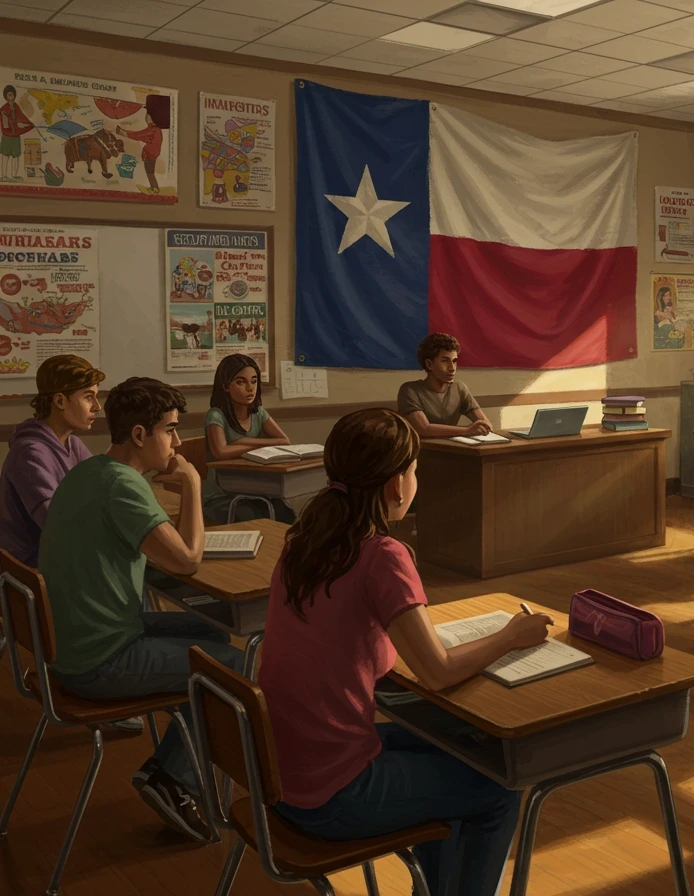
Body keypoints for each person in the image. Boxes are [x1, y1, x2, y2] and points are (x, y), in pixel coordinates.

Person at [259, 409, 547, 896]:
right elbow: (434, 673)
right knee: (499, 788)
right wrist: (509, 637)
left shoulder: (303, 541)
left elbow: (358, 643)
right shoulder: (382, 555)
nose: (415, 479)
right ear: (396, 484)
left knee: (461, 753)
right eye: (414, 469)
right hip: (332, 793)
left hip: (279, 774)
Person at [39, 377, 241, 841]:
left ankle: (179, 757)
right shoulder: (124, 486)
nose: (176, 441)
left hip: (74, 641)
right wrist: (192, 485)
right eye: (170, 430)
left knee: (210, 634)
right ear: (138, 436)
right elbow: (188, 560)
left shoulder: (91, 471)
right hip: (98, 659)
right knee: (229, 664)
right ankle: (171, 778)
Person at [0, 355, 104, 568]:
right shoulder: (30, 453)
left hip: (66, 559)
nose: (97, 406)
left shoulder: (73, 445)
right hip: (34, 573)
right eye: (88, 397)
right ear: (59, 401)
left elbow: (104, 494)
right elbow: (58, 526)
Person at [203, 353, 295, 524]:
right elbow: (221, 452)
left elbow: (284, 441)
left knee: (285, 512)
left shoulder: (258, 412)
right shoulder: (215, 415)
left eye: (254, 381)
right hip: (222, 492)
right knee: (251, 516)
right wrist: (254, 446)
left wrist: (243, 442)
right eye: (240, 382)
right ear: (225, 386)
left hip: (254, 487)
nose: (250, 388)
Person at [398, 333, 493, 440]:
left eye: (454, 361)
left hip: (452, 449)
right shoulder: (410, 390)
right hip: (422, 452)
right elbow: (424, 428)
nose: (452, 368)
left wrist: (484, 427)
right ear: (429, 364)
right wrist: (468, 430)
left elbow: (485, 424)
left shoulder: (459, 388)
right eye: (444, 361)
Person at [115, 96, 169, 193]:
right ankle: (154, 187)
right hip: (152, 154)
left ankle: (155, 188)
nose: (146, 117)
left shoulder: (153, 130)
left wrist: (124, 133)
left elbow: (139, 135)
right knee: (150, 172)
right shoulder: (157, 130)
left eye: (148, 114)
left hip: (150, 154)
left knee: (150, 172)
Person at [1, 84, 34, 181]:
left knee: (16, 155)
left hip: (15, 136)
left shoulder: (16, 106)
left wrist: (25, 124)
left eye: (12, 95)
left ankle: (14, 175)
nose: (11, 97)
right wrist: (17, 125)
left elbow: (21, 117)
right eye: (9, 95)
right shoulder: (3, 109)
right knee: (5, 155)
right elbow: (6, 125)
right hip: (7, 136)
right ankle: (3, 176)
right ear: (6, 96)